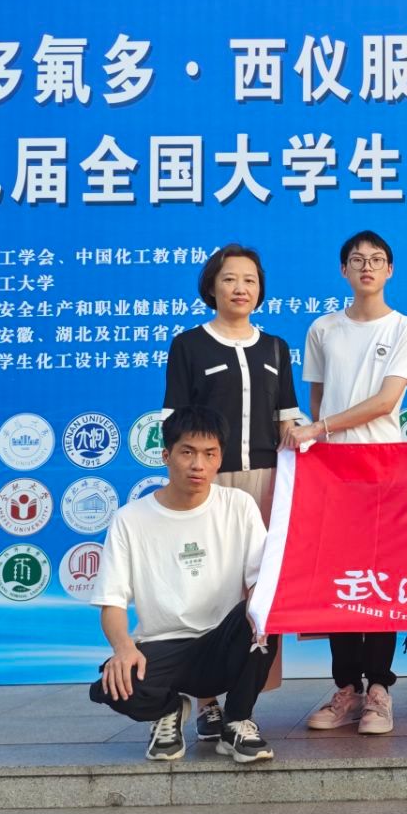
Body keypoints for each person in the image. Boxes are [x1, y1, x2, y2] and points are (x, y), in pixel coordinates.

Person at [162, 243, 301, 742]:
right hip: (209, 484)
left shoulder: (275, 348)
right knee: (207, 587)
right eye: (229, 279)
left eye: (250, 280)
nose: (240, 288)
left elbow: (288, 420)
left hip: (265, 483)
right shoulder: (189, 346)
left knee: (259, 590)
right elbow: (175, 422)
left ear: (260, 290)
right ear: (211, 287)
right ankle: (206, 702)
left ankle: (244, 704)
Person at [88, 405, 276, 765]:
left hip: (222, 644)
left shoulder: (239, 505)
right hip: (162, 646)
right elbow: (111, 601)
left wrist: (259, 613)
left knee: (264, 612)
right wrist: (123, 649)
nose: (198, 465)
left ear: (220, 458)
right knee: (113, 686)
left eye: (209, 454)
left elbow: (259, 580)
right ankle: (169, 709)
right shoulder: (130, 519)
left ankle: (237, 722)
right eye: (187, 452)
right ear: (166, 456)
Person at [295, 229, 407, 735]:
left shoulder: (405, 328)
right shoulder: (323, 329)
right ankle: (346, 688)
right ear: (343, 270)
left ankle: (379, 690)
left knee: (380, 580)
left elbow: (387, 401)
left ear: (390, 270)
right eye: (357, 259)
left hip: (383, 468)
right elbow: (317, 397)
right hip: (332, 471)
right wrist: (321, 435)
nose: (366, 267)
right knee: (341, 580)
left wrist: (322, 428)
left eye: (376, 260)